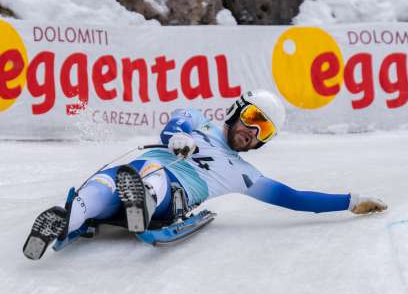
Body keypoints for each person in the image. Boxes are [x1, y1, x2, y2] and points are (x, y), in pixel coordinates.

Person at [23, 89, 387, 259]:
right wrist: (179, 137)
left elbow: (294, 198)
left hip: (171, 194)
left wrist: (350, 201)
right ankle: (64, 220)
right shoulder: (199, 123)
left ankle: (142, 203)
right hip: (135, 170)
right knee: (106, 183)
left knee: (152, 173)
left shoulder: (243, 174)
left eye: (265, 132)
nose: (253, 133)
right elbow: (176, 121)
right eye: (254, 119)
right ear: (236, 110)